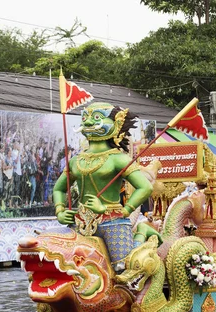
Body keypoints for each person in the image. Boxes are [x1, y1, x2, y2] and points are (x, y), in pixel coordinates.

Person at [53, 103, 157, 269]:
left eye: (96, 118)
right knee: (62, 262)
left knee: (126, 267)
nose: (87, 123)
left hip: (112, 221)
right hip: (80, 222)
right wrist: (60, 211)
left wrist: (124, 211)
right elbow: (59, 188)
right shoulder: (75, 161)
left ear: (116, 124)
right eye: (85, 118)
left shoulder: (118, 158)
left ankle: (142, 233)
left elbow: (145, 187)